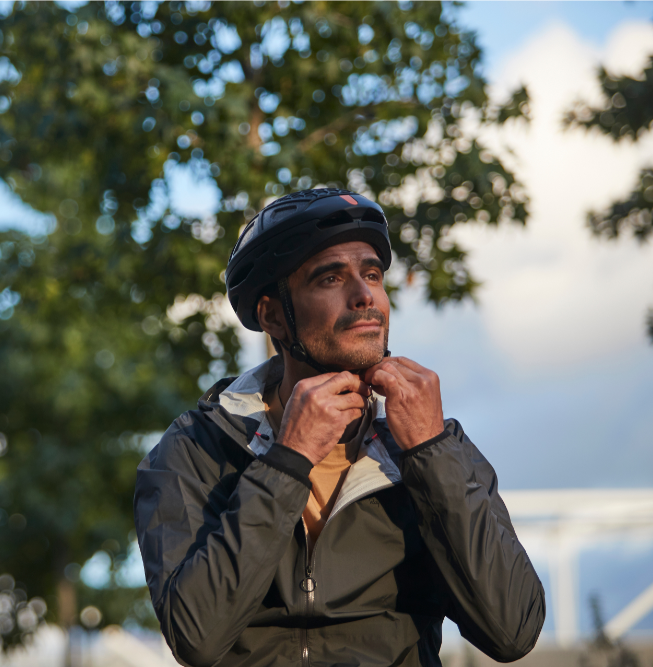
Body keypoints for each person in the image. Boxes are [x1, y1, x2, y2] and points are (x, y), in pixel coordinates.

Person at [134, 189, 545, 667]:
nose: (365, 295)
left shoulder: (426, 440)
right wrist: (287, 461)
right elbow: (197, 638)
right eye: (330, 278)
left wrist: (430, 452)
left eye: (372, 274)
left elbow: (513, 630)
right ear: (272, 316)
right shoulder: (194, 449)